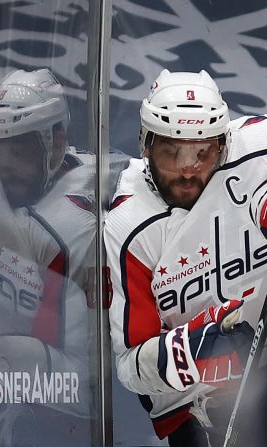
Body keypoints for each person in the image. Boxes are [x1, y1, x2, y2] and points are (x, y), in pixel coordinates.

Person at [105, 69, 267, 446]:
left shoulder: (258, 147)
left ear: (224, 144)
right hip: (199, 414)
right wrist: (197, 348)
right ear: (145, 145)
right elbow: (131, 368)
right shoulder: (130, 226)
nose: (188, 169)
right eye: (171, 152)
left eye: (203, 152)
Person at [0, 68, 96, 446]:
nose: (5, 169)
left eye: (19, 153)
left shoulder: (77, 228)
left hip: (30, 406)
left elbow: (80, 385)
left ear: (56, 143)